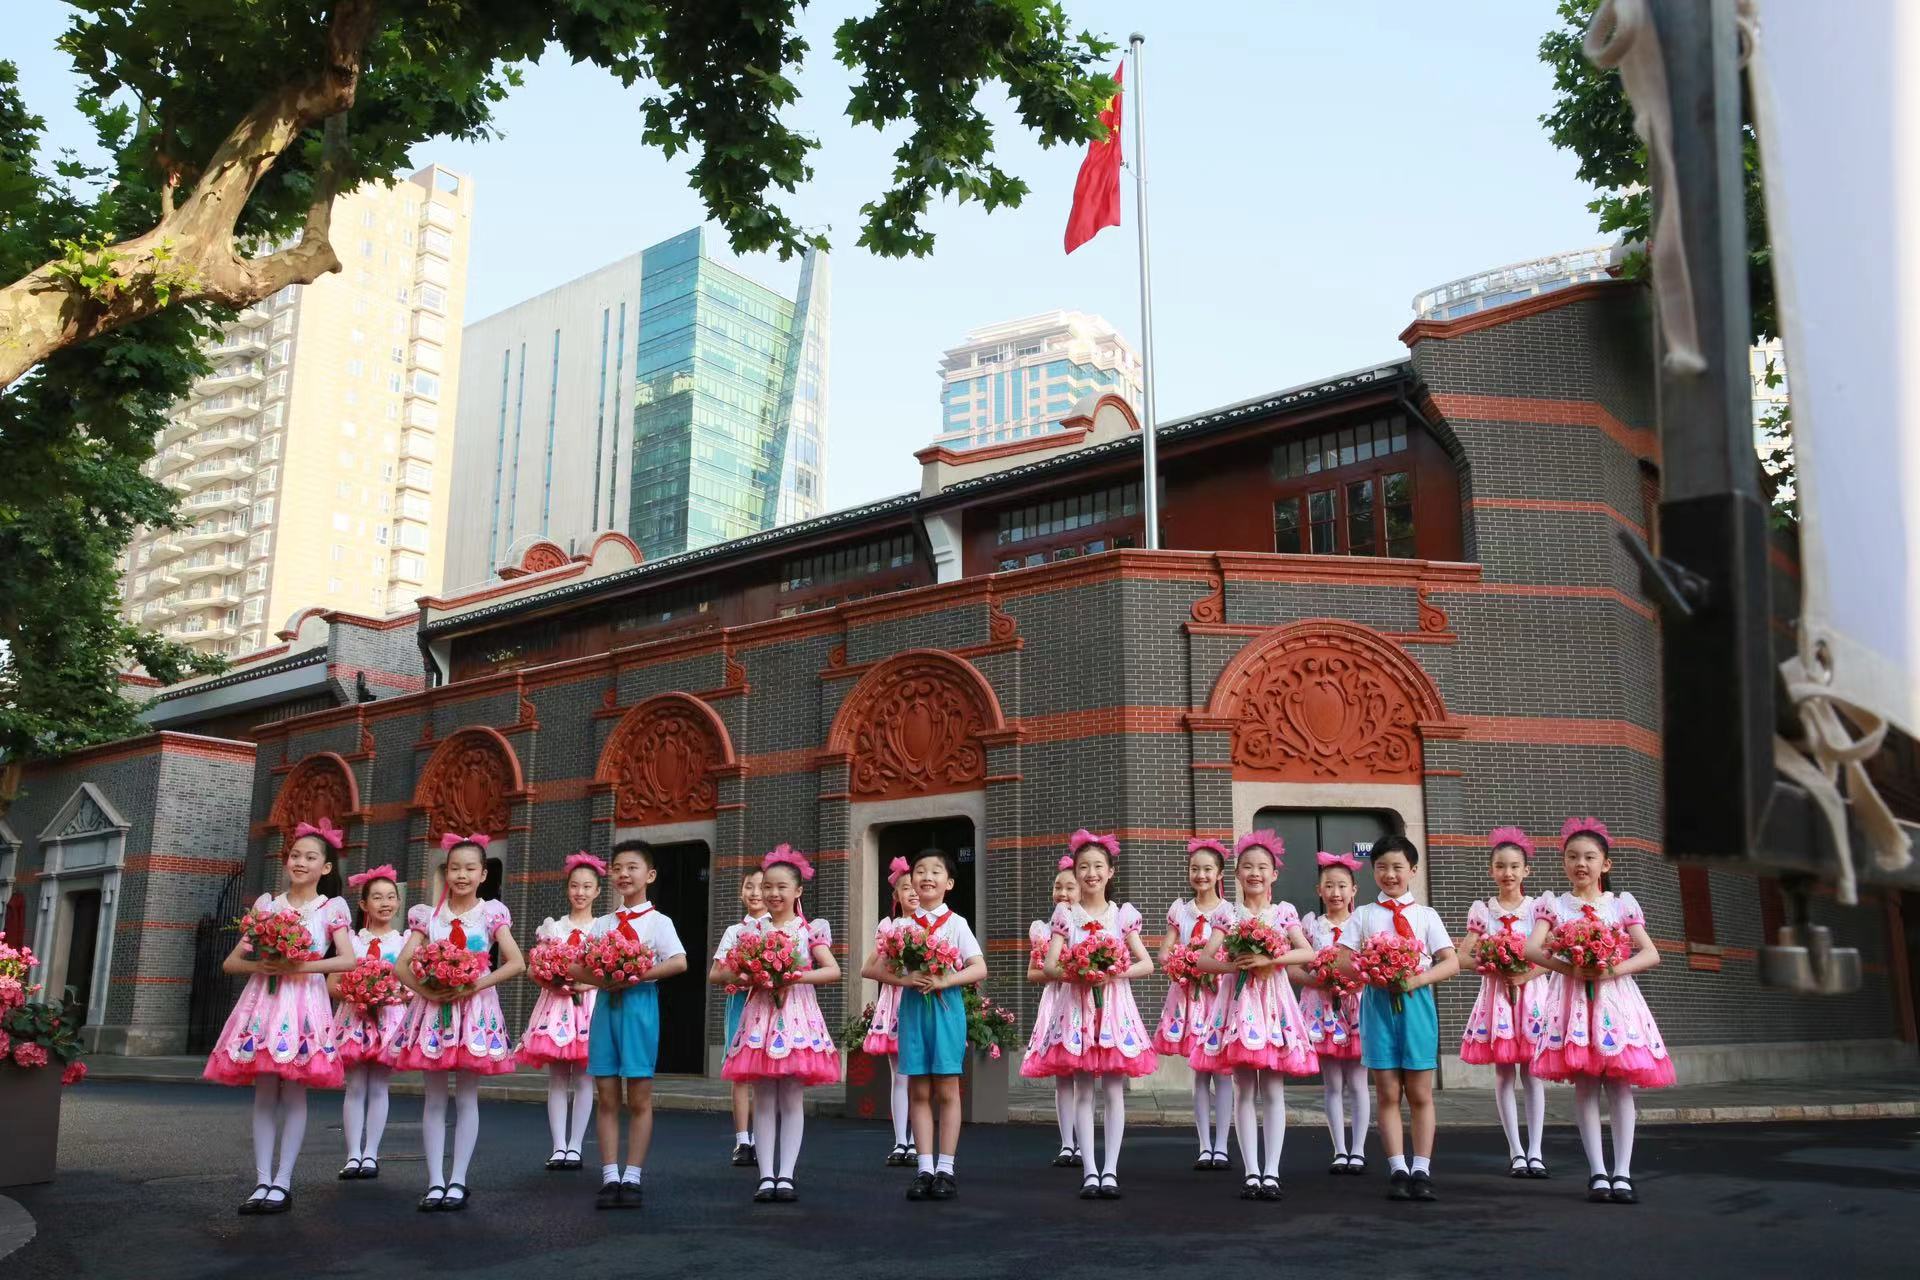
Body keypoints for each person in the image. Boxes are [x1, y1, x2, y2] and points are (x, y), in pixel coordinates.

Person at [204, 820, 356, 1215]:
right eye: (295, 855)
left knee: (294, 1091)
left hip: (304, 1005)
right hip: (264, 1005)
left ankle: (283, 1182)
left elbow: (348, 959)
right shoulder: (268, 906)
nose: (300, 862)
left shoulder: (331, 908)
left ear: (326, 867)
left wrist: (300, 966)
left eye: (310, 857)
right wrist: (264, 965)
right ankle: (261, 1181)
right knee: (264, 1092)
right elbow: (231, 962)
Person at [1526, 816, 1674, 1205]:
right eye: (1573, 856)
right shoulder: (1554, 906)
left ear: (1605, 864)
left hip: (1616, 1003)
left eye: (1590, 857)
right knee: (1586, 1086)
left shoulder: (1620, 905)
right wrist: (1571, 969)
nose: (1581, 864)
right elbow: (1531, 949)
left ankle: (1622, 1172)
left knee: (1620, 1085)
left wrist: (1610, 970)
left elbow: (1650, 953)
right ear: (1564, 862)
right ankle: (1597, 1172)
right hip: (1573, 1002)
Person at [387, 833, 525, 1212]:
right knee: (433, 1099)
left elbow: (516, 962)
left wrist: (473, 985)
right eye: (454, 868)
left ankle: (458, 1180)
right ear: (445, 872)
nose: (461, 875)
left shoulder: (491, 913)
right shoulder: (427, 916)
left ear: (483, 874)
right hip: (434, 1013)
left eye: (470, 868)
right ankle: (434, 1181)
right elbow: (401, 966)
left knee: (466, 1097)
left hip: (475, 1013)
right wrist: (428, 992)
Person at [1028, 830, 1158, 1200]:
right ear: (1076, 871)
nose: (1091, 873)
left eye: (1098, 866)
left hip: (1114, 1011)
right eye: (1084, 866)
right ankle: (1089, 1171)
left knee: (1114, 1091)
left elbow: (1147, 963)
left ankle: (1111, 1170)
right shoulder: (1065, 915)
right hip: (1076, 1012)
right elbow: (1049, 965)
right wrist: (1078, 972)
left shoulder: (1123, 916)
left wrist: (1115, 972)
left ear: (1111, 871)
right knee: (1083, 1090)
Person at [1190, 831, 1319, 1201]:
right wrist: (1235, 965)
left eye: (1263, 867)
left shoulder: (1284, 912)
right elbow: (1203, 960)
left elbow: (1307, 952)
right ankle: (1251, 1173)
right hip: (1237, 1006)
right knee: (1244, 1090)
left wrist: (1270, 959)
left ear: (1274, 874)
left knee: (1274, 1091)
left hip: (1274, 1005)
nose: (1255, 873)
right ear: (1236, 874)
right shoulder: (1227, 914)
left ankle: (1272, 1172)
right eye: (1247, 866)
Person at [718, 846, 841, 1203]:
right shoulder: (751, 931)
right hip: (759, 1016)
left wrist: (794, 975)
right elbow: (721, 973)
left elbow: (832, 970)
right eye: (767, 886)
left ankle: (785, 1175)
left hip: (797, 1016)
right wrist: (748, 975)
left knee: (790, 1097)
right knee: (763, 1097)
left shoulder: (810, 929)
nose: (773, 893)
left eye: (781, 887)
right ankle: (765, 1176)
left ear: (798, 890)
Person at [1339, 834, 1457, 1204]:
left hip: (1416, 1002)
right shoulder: (1364, 915)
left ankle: (1421, 1168)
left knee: (1419, 1092)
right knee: (1388, 1091)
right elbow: (1342, 959)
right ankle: (1398, 1169)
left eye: (1397, 867)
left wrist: (1417, 979)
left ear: (1413, 870)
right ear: (1373, 871)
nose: (1390, 874)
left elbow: (1451, 962)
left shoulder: (1426, 915)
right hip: (1377, 1003)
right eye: (1381, 867)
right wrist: (1371, 972)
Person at [867, 847, 988, 1202]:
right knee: (918, 1091)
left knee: (947, 1091)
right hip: (913, 1011)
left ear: (949, 883)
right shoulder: (900, 927)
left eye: (936, 871)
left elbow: (978, 967)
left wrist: (945, 980)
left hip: (947, 1010)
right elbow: (871, 969)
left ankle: (946, 1169)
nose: (926, 877)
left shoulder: (956, 924)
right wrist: (905, 979)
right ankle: (924, 1168)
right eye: (920, 871)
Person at [578, 840, 689, 1209]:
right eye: (617, 868)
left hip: (640, 1007)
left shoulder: (659, 922)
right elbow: (577, 965)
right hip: (606, 1007)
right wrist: (604, 979)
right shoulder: (602, 923)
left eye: (632, 867)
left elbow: (679, 962)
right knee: (607, 1095)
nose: (624, 874)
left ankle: (633, 1176)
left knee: (638, 1096)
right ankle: (610, 1176)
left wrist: (636, 975)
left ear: (650, 875)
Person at [1460, 827, 1550, 1178]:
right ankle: (1515, 1150)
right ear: (1491, 870)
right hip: (1497, 998)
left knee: (1533, 1074)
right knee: (1503, 1073)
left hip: (1533, 997)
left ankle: (1536, 1150)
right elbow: (1462, 956)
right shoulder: (1483, 911)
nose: (1507, 873)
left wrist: (1525, 975)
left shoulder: (1539, 909)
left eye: (1514, 866)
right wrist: (1492, 965)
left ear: (1526, 870)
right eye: (1500, 866)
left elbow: (1554, 956)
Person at [517, 852, 606, 1173]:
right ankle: (558, 1146)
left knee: (583, 1079)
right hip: (556, 1007)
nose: (580, 892)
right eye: (574, 886)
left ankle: (576, 1147)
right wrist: (553, 980)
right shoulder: (553, 927)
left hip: (589, 1007)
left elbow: (609, 972)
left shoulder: (603, 928)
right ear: (567, 888)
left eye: (587, 886)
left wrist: (584, 984)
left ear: (597, 891)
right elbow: (533, 969)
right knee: (556, 1079)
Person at [1158, 838, 1235, 1172]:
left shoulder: (1230, 912)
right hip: (1191, 998)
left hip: (1221, 997)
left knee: (1224, 1074)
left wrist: (1213, 964)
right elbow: (1164, 952)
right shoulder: (1180, 911)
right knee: (1201, 1074)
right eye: (1194, 869)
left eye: (1207, 869)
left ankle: (1223, 1145)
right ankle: (1204, 1146)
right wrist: (1181, 961)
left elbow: (1233, 954)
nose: (1200, 875)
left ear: (1219, 873)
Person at [1295, 850, 1370, 1175]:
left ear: (1354, 890)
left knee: (1359, 1082)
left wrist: (1356, 981)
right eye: (1329, 886)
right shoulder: (1311, 926)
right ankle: (1340, 1150)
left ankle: (1359, 1149)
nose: (1335, 892)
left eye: (1342, 886)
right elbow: (1293, 969)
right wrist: (1320, 981)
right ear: (1319, 890)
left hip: (1358, 1008)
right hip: (1322, 1009)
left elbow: (1374, 966)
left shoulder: (1364, 923)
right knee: (1333, 1084)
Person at [331, 863, 406, 1181]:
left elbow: (412, 987)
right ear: (363, 904)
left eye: (390, 897)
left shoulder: (404, 943)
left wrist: (391, 994)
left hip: (389, 1020)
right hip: (354, 1019)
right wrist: (357, 993)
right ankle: (352, 1155)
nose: (385, 903)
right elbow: (331, 984)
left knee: (379, 1087)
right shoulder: (352, 941)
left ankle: (371, 1154)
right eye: (377, 897)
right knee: (355, 1086)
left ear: (398, 902)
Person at [1020, 857, 1083, 1168]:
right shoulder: (1042, 930)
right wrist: (1061, 971)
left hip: (1082, 1003)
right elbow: (1033, 973)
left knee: (1082, 1075)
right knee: (1062, 1078)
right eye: (1058, 887)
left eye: (1070, 887)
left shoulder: (1089, 927)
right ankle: (1067, 1143)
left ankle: (1083, 1142)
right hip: (1055, 1003)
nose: (1063, 893)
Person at [861, 860, 921, 1166]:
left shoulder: (935, 925)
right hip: (896, 1004)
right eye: (905, 888)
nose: (913, 892)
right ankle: (900, 1142)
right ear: (896, 896)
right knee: (899, 1076)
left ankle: (920, 1142)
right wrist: (900, 975)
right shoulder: (890, 928)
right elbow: (868, 969)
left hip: (923, 1002)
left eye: (916, 887)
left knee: (921, 1077)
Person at [710, 869, 768, 1167]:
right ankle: (742, 1140)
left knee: (764, 1075)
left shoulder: (780, 929)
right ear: (741, 892)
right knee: (741, 1074)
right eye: (749, 886)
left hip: (770, 1008)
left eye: (761, 887)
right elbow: (716, 973)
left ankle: (763, 1138)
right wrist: (740, 976)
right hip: (740, 1006)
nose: (755, 893)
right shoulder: (734, 931)